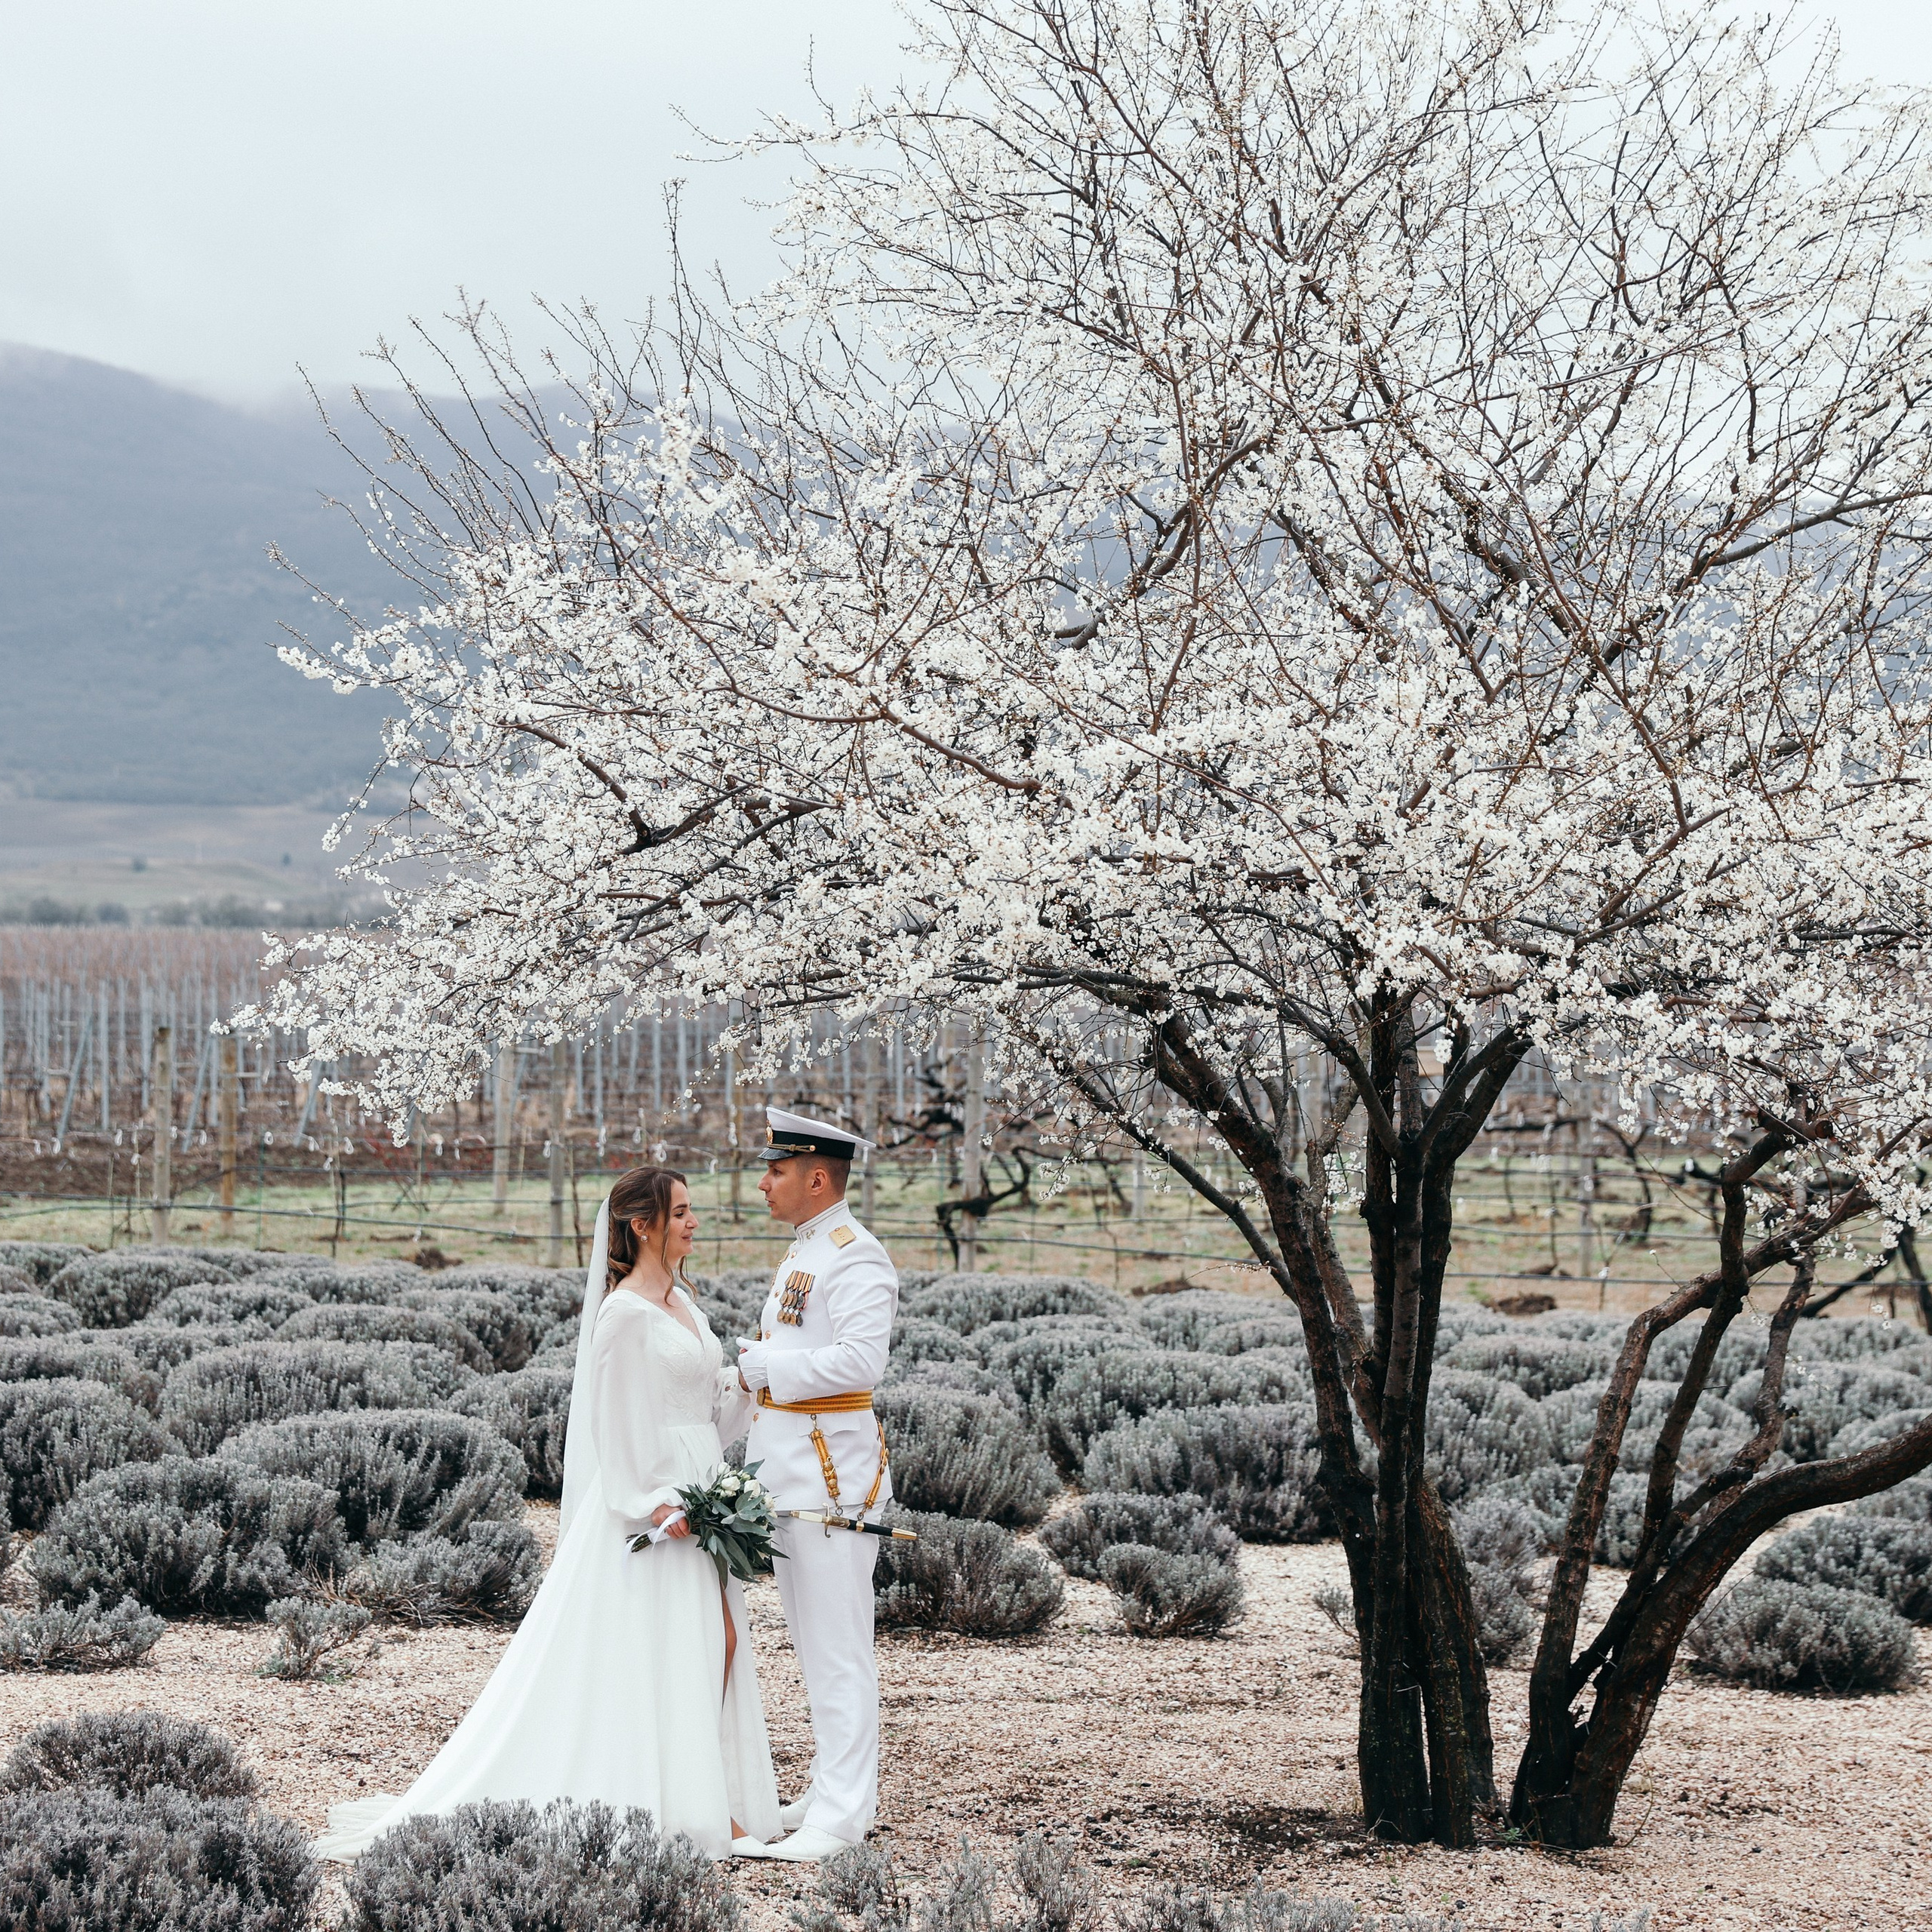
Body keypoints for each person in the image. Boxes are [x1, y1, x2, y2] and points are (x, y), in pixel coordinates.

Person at [312, 1166, 782, 1862]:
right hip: (657, 1502)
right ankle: (681, 1804)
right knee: (683, 1645)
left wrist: (746, 1385)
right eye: (679, 1212)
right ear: (642, 1224)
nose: (693, 1222)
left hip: (701, 1478)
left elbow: (702, 1406)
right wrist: (651, 1501)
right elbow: (614, 1424)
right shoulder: (623, 1316)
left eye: (691, 1210)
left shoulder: (685, 1302)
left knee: (717, 1642)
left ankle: (704, 1798)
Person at [732, 1106, 899, 1864]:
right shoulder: (808, 1251)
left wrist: (771, 1369)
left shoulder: (854, 1255)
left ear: (817, 1177)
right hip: (794, 1476)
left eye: (776, 1169)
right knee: (812, 1645)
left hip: (833, 1485)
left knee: (838, 1651)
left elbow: (862, 1364)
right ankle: (834, 1789)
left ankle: (841, 1818)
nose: (764, 1181)